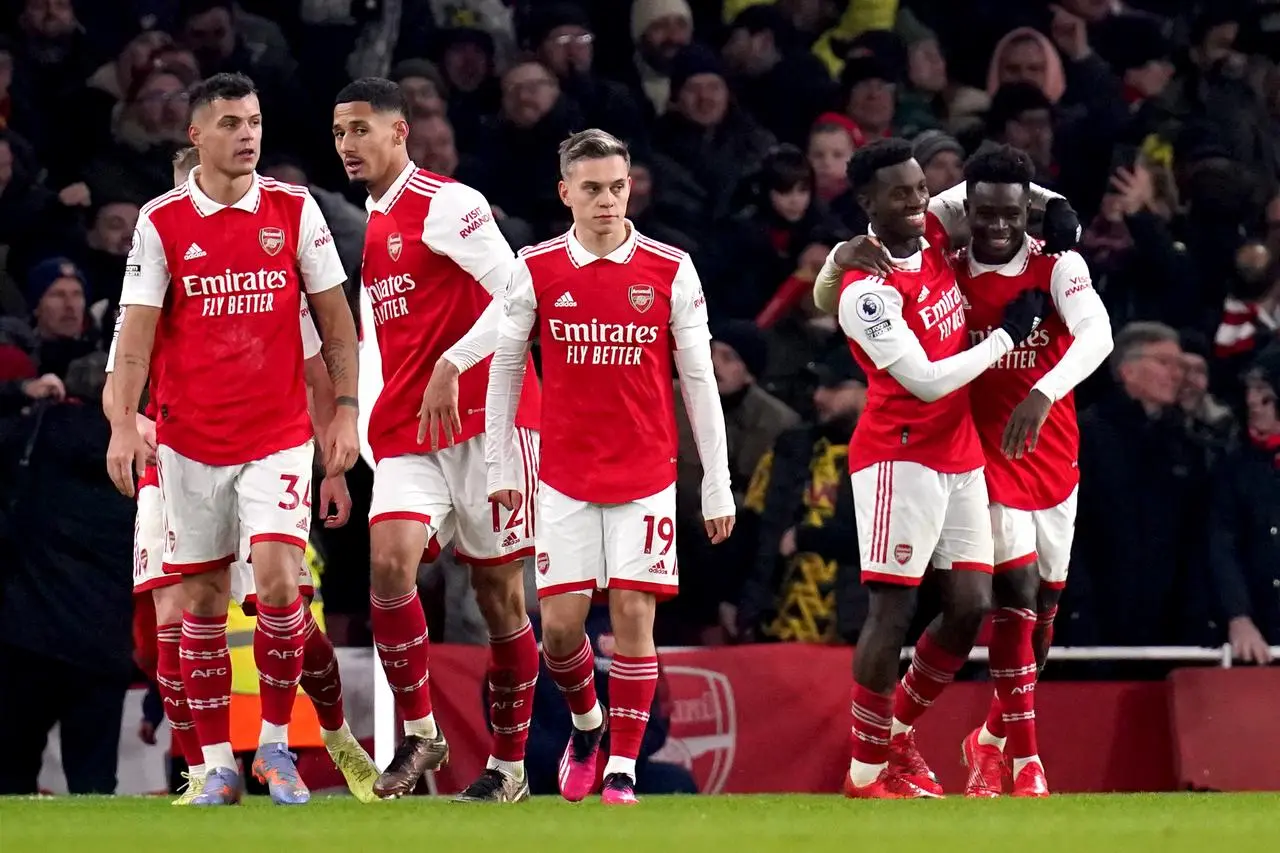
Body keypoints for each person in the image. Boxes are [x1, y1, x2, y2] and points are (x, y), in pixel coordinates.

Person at [105, 73, 361, 807]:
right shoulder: (160, 223)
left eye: (253, 120)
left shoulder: (295, 209)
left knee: (281, 582)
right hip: (189, 441)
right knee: (202, 604)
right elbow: (135, 343)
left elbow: (336, 324)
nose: (247, 134)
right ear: (196, 136)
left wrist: (343, 412)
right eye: (229, 123)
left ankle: (276, 747)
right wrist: (126, 423)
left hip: (277, 433)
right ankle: (217, 763)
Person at [485, 128, 735, 806]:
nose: (606, 201)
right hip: (563, 476)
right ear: (566, 192)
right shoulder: (534, 268)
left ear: (631, 188)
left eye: (617, 188)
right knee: (561, 630)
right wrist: (500, 467)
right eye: (591, 189)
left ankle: (621, 766)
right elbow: (507, 368)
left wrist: (717, 480)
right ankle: (589, 727)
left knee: (632, 617)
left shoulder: (670, 268)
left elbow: (699, 381)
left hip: (646, 475)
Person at [806, 138, 1048, 799]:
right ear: (866, 203)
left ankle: (900, 732)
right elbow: (929, 380)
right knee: (893, 609)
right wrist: (1006, 338)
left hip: (960, 451)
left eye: (918, 189)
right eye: (899, 193)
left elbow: (1000, 188)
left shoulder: (935, 225)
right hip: (899, 455)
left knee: (971, 605)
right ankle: (865, 772)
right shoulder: (866, 292)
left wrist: (1062, 214)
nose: (916, 202)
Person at [332, 77, 542, 803]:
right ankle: (422, 731)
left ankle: (509, 768)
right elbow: (378, 347)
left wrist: (454, 362)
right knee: (388, 565)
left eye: (361, 129)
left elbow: (519, 290)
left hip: (491, 425)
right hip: (411, 434)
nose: (348, 145)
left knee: (497, 596)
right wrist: (363, 440)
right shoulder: (375, 224)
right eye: (338, 133)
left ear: (399, 132)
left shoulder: (448, 203)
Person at [936, 146, 1111, 797]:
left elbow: (1098, 335)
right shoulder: (947, 271)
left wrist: (1043, 392)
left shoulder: (1058, 265)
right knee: (1013, 603)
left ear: (1026, 210)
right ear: (969, 209)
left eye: (1013, 210)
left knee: (1042, 620)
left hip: (1053, 452)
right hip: (982, 456)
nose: (998, 224)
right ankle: (1025, 762)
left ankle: (988, 737)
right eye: (985, 211)